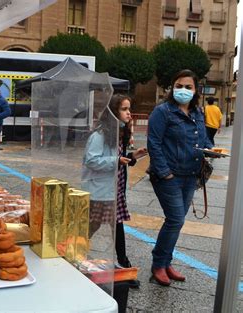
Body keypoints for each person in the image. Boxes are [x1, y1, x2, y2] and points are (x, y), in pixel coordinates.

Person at [147, 69, 213, 286]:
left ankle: (166, 262)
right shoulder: (163, 112)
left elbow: (203, 141)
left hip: (191, 176)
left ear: (196, 91)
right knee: (175, 219)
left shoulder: (198, 113)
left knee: (177, 222)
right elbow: (154, 143)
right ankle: (158, 264)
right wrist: (165, 172)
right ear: (172, 88)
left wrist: (212, 150)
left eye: (188, 87)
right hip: (169, 176)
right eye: (179, 86)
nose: (183, 90)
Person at [82, 94, 147, 288]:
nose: (129, 113)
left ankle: (124, 265)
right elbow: (91, 160)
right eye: (124, 109)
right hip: (100, 191)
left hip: (115, 189)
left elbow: (117, 159)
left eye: (129, 108)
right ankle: (74, 253)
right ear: (113, 112)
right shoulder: (100, 134)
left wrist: (132, 156)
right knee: (92, 227)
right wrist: (117, 160)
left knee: (117, 228)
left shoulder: (120, 133)